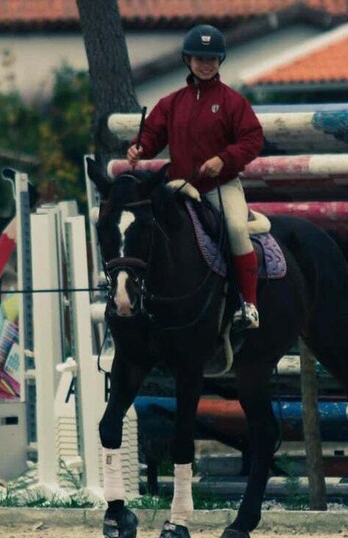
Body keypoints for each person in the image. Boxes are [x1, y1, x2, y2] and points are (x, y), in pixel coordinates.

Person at [127, 23, 264, 329]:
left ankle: (248, 304)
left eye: (212, 59)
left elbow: (252, 140)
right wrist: (139, 147)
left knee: (237, 229)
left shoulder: (233, 102)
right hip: (179, 186)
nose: (206, 64)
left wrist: (223, 159)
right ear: (187, 60)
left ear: (220, 62)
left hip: (220, 186)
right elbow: (151, 134)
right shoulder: (172, 103)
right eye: (199, 59)